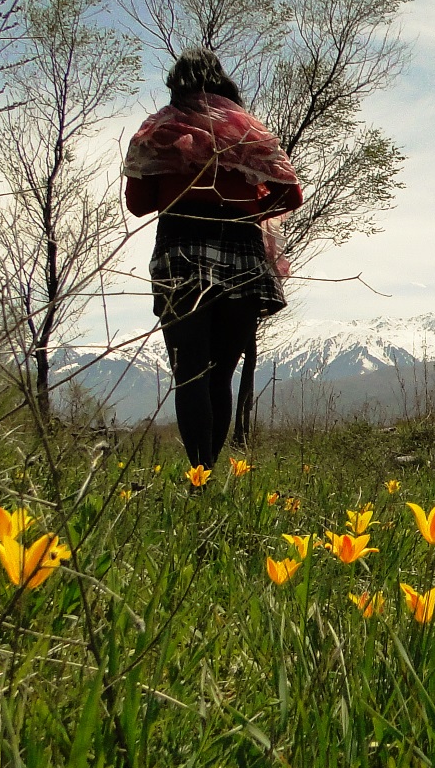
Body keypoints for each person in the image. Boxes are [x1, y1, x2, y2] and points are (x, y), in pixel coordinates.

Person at [122, 49, 302, 469]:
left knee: (189, 374)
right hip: (241, 253)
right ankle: (207, 475)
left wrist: (181, 181)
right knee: (221, 375)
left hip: (180, 250)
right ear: (221, 81)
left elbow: (138, 204)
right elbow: (288, 193)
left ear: (174, 84)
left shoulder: (158, 131)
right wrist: (243, 202)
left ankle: (197, 473)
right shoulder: (248, 130)